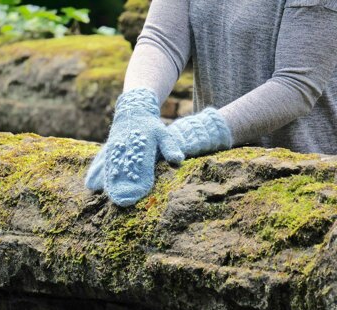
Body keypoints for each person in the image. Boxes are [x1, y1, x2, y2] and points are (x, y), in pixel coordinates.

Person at [85, 0, 337, 207]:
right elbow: (162, 40)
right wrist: (135, 110)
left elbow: (295, 85)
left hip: (307, 182)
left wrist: (191, 134)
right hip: (215, 175)